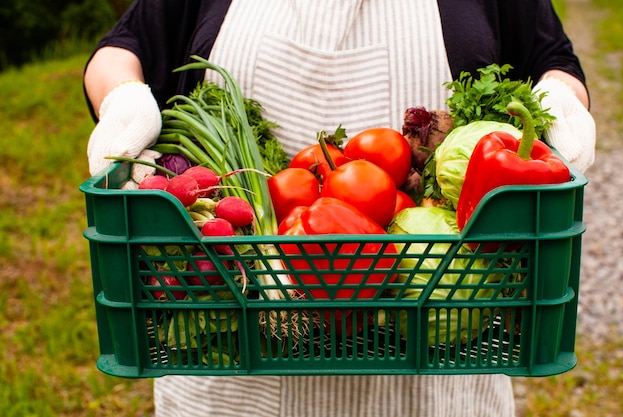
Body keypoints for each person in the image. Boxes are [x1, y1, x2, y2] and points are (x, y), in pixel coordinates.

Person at [84, 1, 595, 416]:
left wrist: (561, 99)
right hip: (232, 365)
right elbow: (123, 48)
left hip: (438, 370)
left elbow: (552, 57)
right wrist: (125, 99)